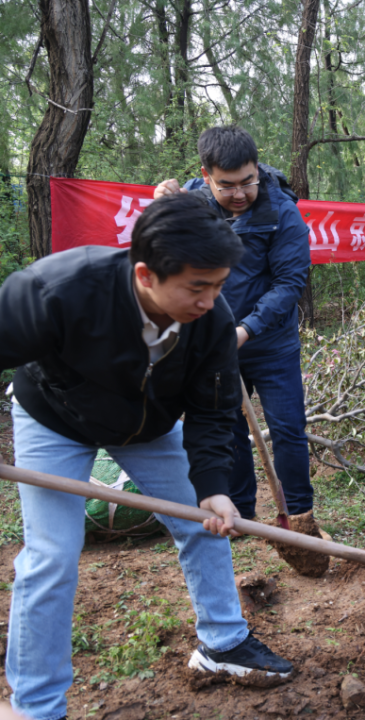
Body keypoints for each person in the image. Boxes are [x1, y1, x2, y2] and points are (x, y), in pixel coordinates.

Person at [0, 194, 293, 720]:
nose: (210, 301)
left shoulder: (212, 319)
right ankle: (36, 707)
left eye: (219, 285)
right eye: (197, 287)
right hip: (55, 415)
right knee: (52, 556)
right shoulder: (60, 289)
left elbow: (212, 410)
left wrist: (213, 487)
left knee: (204, 521)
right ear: (145, 274)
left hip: (146, 424)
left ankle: (223, 644)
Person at [153, 126, 314, 524]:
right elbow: (163, 255)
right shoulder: (190, 203)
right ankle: (241, 513)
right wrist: (162, 207)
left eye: (248, 181)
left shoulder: (282, 212)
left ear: (257, 168)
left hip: (272, 345)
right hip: (214, 345)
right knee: (227, 429)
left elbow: (289, 283)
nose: (240, 193)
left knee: (288, 429)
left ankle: (299, 515)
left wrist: (245, 330)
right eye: (227, 185)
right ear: (206, 175)